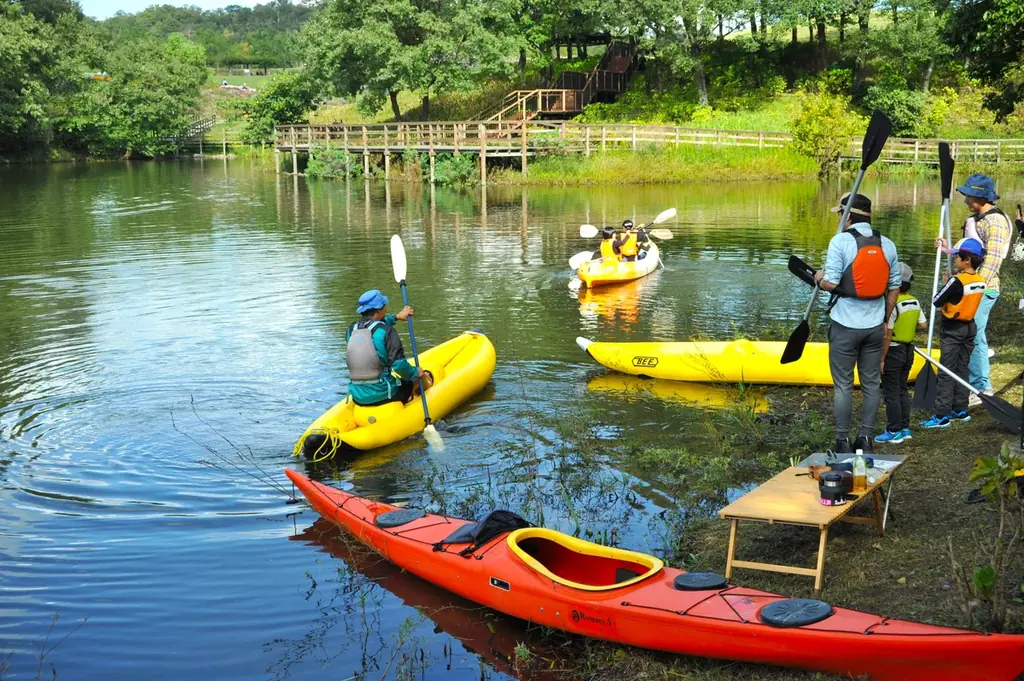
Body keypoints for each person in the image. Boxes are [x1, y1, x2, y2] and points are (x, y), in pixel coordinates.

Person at [813, 192, 900, 454]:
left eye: (840, 213)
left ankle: (842, 440)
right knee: (871, 383)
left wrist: (818, 278)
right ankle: (865, 438)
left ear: (848, 215)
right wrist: (885, 318)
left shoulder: (840, 242)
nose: (839, 218)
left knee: (843, 385)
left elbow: (832, 283)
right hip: (874, 326)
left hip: (844, 325)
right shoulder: (888, 244)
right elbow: (894, 286)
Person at [949, 174, 1012, 402]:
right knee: (970, 333)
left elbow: (993, 260)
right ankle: (970, 381)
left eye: (969, 196)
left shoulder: (995, 222)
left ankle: (981, 388)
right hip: (973, 287)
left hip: (984, 289)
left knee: (975, 334)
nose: (966, 200)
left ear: (980, 196)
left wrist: (973, 287)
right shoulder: (978, 219)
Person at [922, 238, 987, 429]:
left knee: (947, 371)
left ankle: (942, 415)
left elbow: (937, 301)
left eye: (957, 257)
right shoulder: (980, 280)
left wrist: (946, 282)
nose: (955, 259)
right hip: (969, 327)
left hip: (953, 330)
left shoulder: (956, 281)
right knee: (962, 369)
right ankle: (961, 409)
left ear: (966, 260)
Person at [346, 289, 431, 406]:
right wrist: (416, 372)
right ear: (378, 310)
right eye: (384, 306)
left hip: (357, 396)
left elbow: (372, 328)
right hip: (384, 394)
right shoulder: (388, 332)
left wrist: (396, 317)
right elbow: (399, 366)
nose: (385, 308)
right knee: (420, 376)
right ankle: (429, 394)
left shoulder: (351, 331)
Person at [875, 263, 927, 444]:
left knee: (891, 392)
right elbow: (923, 325)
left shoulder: (891, 304)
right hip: (908, 350)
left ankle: (893, 430)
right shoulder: (914, 301)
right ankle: (905, 428)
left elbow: (887, 334)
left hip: (894, 350)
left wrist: (881, 358)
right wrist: (908, 329)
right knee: (902, 389)